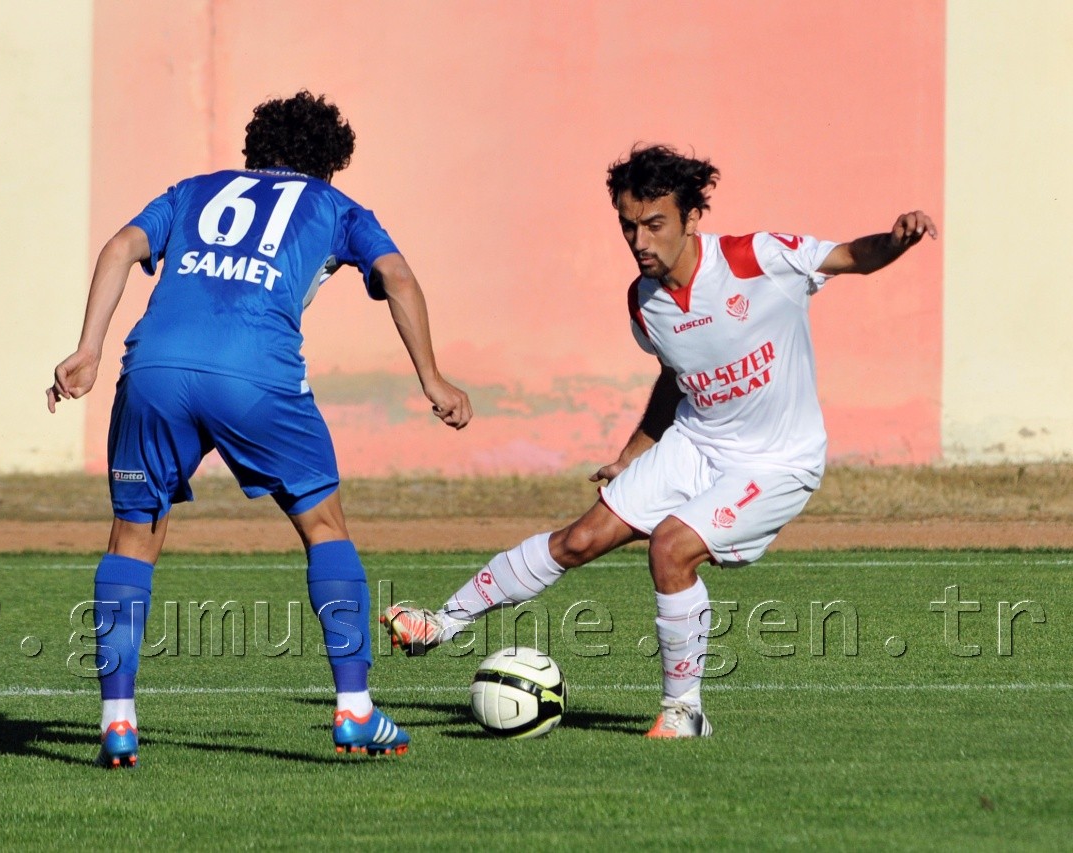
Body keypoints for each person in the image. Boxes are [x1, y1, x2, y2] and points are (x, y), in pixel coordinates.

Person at [382, 144, 936, 738]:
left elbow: (852, 255)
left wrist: (897, 239)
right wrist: (633, 452)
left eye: (654, 224)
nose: (640, 239)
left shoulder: (757, 258)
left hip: (777, 461)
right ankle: (440, 623)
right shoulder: (643, 303)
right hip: (696, 444)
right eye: (628, 225)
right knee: (579, 540)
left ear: (691, 218)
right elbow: (676, 377)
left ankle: (684, 711)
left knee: (671, 547)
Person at [47, 91, 472, 767]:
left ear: (254, 152)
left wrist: (89, 347)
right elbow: (397, 275)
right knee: (324, 527)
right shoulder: (334, 207)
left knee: (132, 535)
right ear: (329, 165)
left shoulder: (192, 190)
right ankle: (356, 710)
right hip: (256, 374)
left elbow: (122, 246)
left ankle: (118, 721)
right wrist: (432, 377)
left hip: (153, 364)